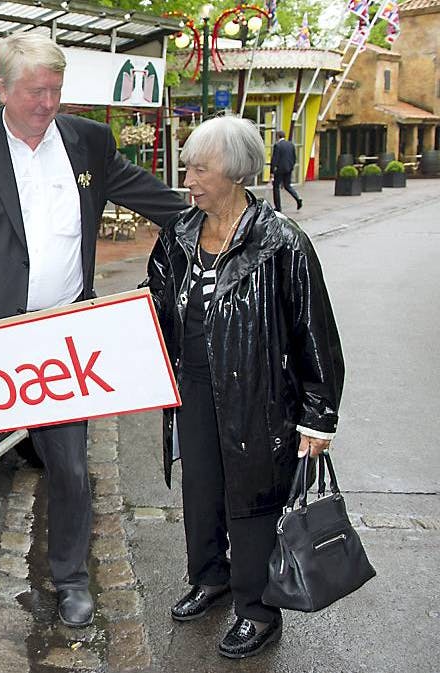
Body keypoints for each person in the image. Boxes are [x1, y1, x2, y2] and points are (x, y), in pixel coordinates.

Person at [0, 32, 186, 626]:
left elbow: (158, 201)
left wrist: (227, 213)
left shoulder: (88, 142)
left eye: (56, 90)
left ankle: (72, 579)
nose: (47, 103)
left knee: (72, 468)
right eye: (35, 91)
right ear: (1, 88)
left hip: (64, 336)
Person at [145, 113, 344, 659]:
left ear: (233, 172)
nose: (187, 179)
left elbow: (315, 334)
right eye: (187, 167)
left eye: (198, 169)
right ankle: (211, 577)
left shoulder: (282, 242)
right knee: (201, 491)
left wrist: (318, 417)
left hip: (256, 396)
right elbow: (156, 307)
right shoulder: (180, 233)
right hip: (192, 389)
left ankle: (256, 610)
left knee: (251, 500)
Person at [270, 130, 303, 211]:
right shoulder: (291, 145)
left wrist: (271, 171)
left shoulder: (277, 145)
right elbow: (294, 157)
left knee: (276, 187)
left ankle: (278, 207)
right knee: (287, 186)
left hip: (280, 170)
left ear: (278, 136)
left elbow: (275, 159)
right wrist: (291, 166)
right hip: (288, 169)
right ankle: (298, 199)